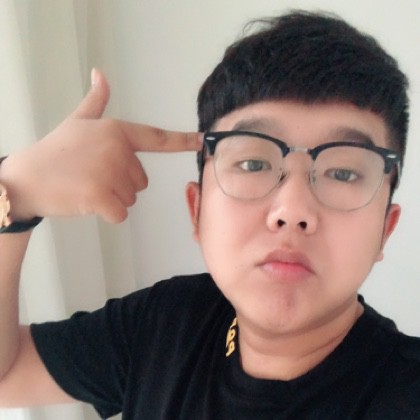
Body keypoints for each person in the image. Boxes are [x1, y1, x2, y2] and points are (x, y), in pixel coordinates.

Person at [0, 9, 419, 419]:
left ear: (385, 228)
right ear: (197, 210)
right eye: (254, 163)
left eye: (342, 173)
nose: (292, 210)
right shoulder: (168, 322)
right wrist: (13, 194)